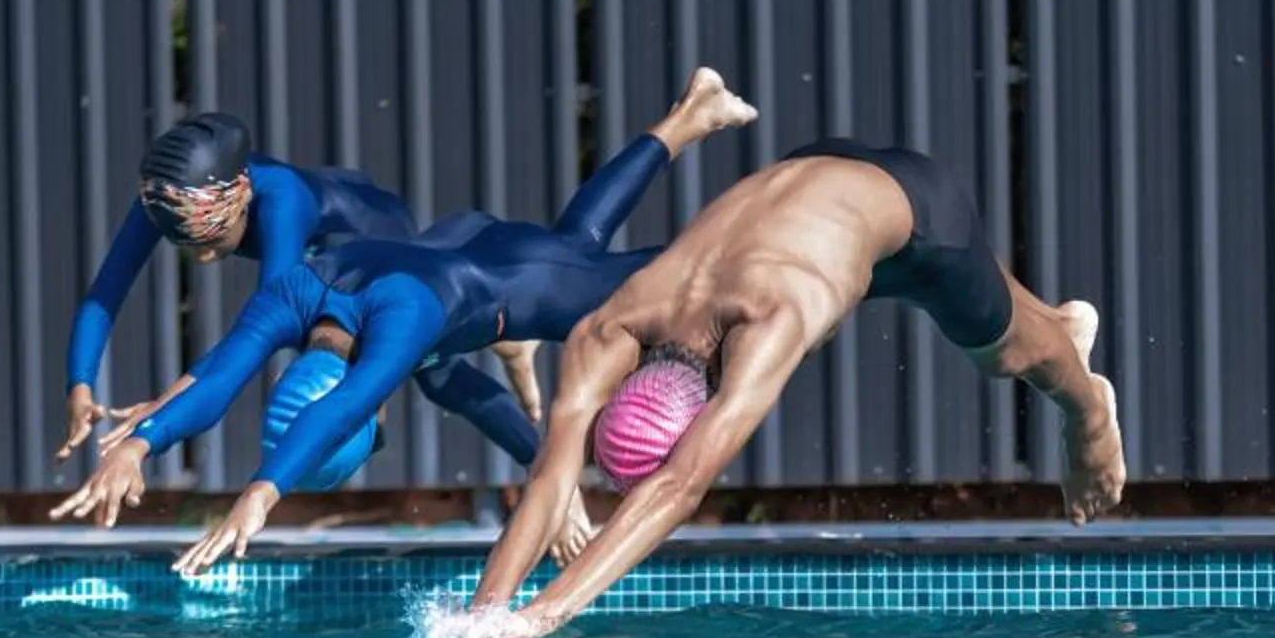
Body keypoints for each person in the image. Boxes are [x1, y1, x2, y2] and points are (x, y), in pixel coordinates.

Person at [435, 131, 1126, 638]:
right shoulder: (612, 324)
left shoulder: (768, 318)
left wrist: (545, 616)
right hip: (816, 172)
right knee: (972, 305)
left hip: (920, 218)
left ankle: (1087, 408)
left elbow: (678, 487)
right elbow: (552, 476)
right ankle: (1055, 319)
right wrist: (485, 610)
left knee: (1001, 354)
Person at [53, 70, 757, 569]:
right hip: (450, 259)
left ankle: (739, 190)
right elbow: (233, 374)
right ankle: (688, 116)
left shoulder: (389, 313)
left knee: (672, 277)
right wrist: (139, 441)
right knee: (568, 249)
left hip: (516, 283)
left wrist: (261, 496)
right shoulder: (293, 295)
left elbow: (346, 402)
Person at [52, 112, 544, 460]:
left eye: (210, 239)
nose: (202, 256)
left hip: (371, 234)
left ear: (241, 197)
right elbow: (104, 293)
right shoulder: (172, 199)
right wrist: (80, 387)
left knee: (431, 371)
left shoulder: (281, 202)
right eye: (185, 244)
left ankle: (546, 472)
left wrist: (163, 409)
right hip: (325, 227)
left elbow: (262, 331)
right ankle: (507, 344)